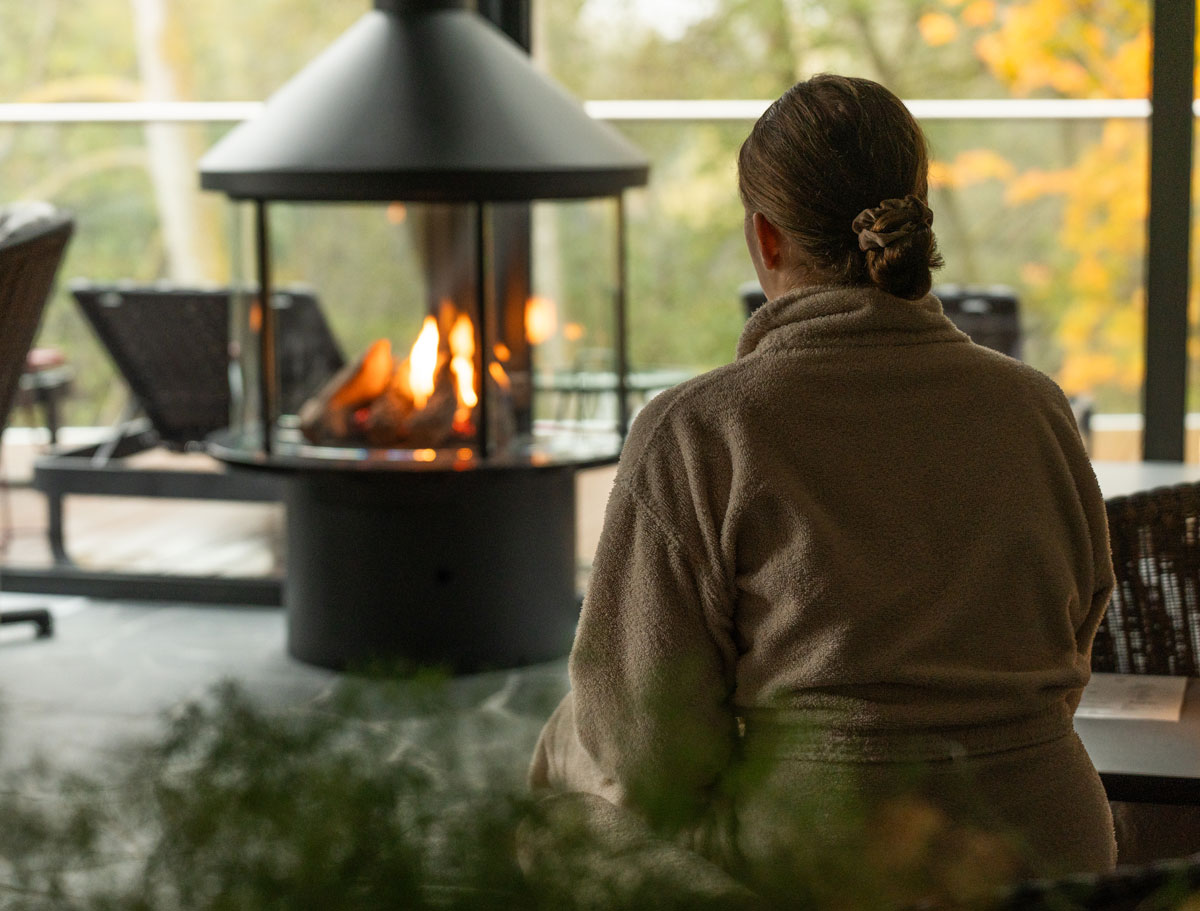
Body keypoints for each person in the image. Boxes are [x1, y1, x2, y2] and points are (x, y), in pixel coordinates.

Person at [528, 74, 1116, 903]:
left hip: (829, 859)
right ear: (917, 210)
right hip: (1055, 847)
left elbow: (646, 748)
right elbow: (1080, 628)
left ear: (766, 238)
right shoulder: (1037, 405)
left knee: (562, 787)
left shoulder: (698, 428)